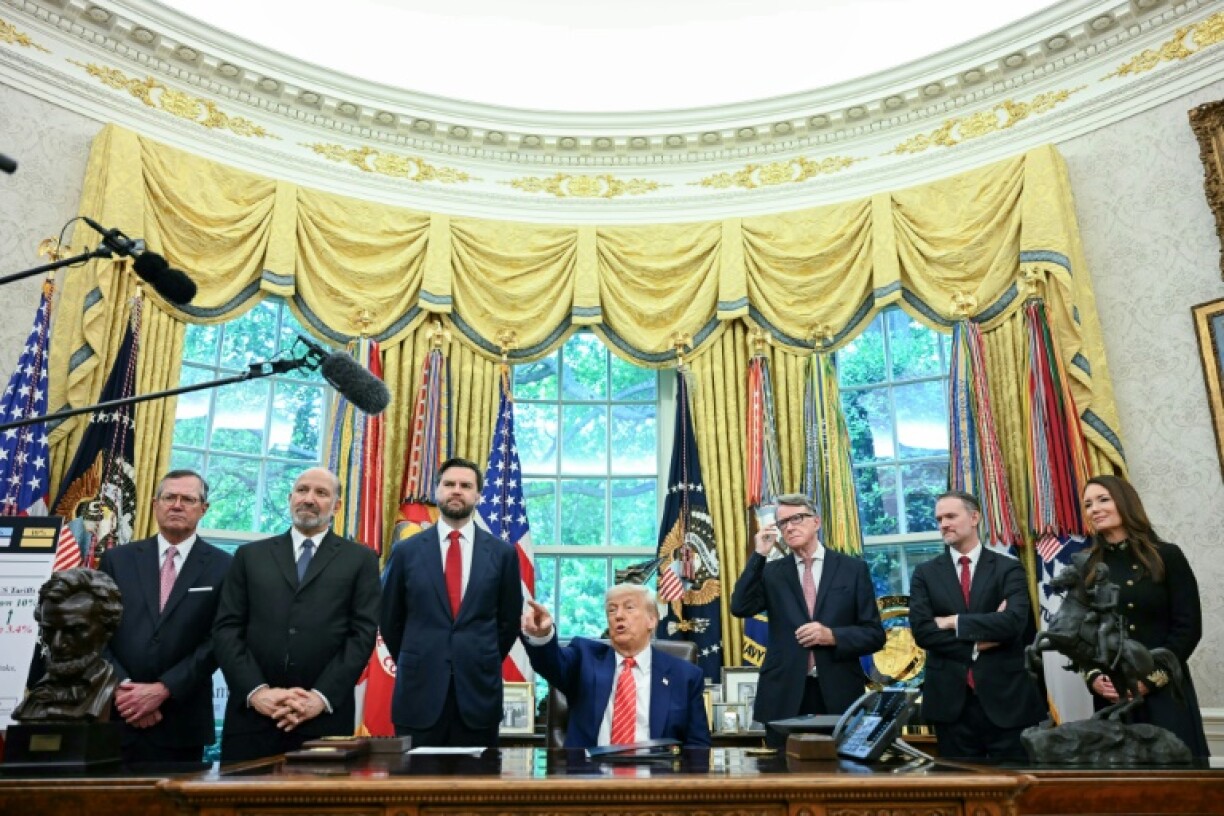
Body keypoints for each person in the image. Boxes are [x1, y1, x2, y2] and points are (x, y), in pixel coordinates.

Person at [212, 467, 380, 762]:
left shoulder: (361, 559)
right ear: (290, 498)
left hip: (324, 720)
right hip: (253, 718)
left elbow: (362, 635)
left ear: (337, 506)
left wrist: (320, 698)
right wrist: (257, 692)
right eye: (302, 490)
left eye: (321, 493)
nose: (309, 499)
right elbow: (227, 629)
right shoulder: (250, 556)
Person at [380, 457, 522, 748]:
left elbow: (507, 622)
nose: (457, 491)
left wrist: (478, 656)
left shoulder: (502, 553)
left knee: (476, 789)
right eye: (449, 484)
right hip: (418, 694)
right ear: (436, 491)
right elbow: (390, 618)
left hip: (478, 695)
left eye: (466, 485)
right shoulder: (406, 551)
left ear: (478, 495)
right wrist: (420, 656)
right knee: (416, 788)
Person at [97, 470, 232, 764]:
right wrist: (125, 689)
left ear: (203, 508)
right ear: (155, 503)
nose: (177, 505)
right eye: (170, 497)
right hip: (118, 715)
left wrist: (164, 689)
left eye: (188, 499)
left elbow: (220, 639)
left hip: (182, 722)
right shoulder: (117, 560)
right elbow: (96, 632)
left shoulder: (226, 566)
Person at [729, 494, 885, 749]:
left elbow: (874, 634)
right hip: (784, 693)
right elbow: (740, 606)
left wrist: (832, 636)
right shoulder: (772, 573)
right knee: (781, 778)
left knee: (842, 774)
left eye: (797, 518)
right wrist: (759, 555)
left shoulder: (852, 569)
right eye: (782, 523)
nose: (789, 527)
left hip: (838, 692)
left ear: (816, 521)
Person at [909, 490, 1046, 761]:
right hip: (950, 705)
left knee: (1014, 792)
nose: (943, 524)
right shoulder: (925, 573)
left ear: (974, 517)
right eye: (938, 519)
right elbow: (924, 633)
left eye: (950, 516)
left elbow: (1013, 625)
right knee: (959, 792)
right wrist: (977, 642)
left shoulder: (1008, 568)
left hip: (1007, 702)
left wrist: (953, 622)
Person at [1080, 475, 1209, 757]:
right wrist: (1092, 676)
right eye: (1088, 504)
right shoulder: (1087, 564)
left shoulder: (1167, 556)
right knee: (1122, 790)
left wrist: (1150, 679)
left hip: (1164, 692)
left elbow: (1188, 628)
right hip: (1113, 696)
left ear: (1125, 503)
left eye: (1103, 500)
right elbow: (1081, 632)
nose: (1094, 509)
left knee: (1176, 788)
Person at [520, 584, 710, 749]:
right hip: (590, 780)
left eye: (629, 608)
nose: (618, 615)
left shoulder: (684, 676)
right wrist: (542, 635)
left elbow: (698, 746)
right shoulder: (584, 658)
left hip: (655, 782)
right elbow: (551, 664)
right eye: (611, 610)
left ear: (651, 620)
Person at [14, 567, 124, 722]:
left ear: (106, 629)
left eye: (74, 630)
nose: (57, 644)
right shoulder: (36, 697)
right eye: (49, 630)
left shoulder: (103, 690)